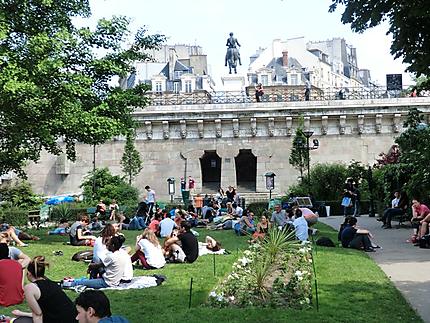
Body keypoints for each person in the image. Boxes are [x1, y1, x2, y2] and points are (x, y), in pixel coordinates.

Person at [11, 256, 77, 322]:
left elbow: (38, 315)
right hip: (73, 319)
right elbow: (49, 313)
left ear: (29, 274)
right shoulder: (52, 284)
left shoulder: (30, 288)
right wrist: (21, 313)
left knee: (20, 321)